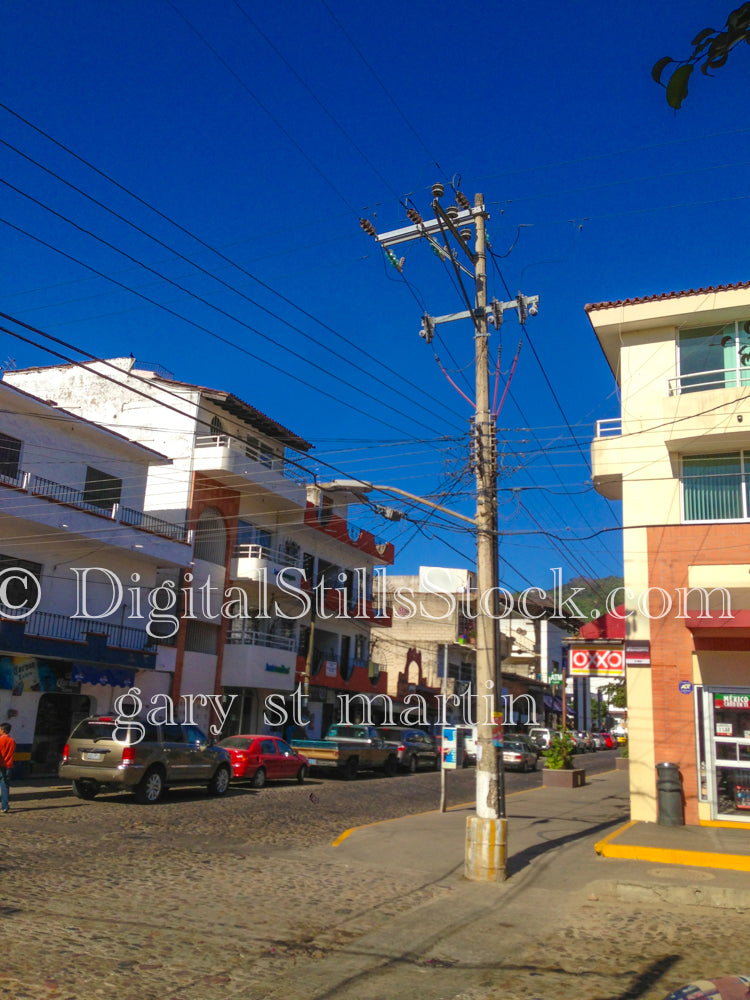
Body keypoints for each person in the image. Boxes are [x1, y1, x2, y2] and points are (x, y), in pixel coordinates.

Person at [0, 722, 15, 814]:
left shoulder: (0, 740)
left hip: (1, 765)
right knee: (5, 787)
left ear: (2, 730)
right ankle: (4, 806)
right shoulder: (12, 741)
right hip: (8, 766)